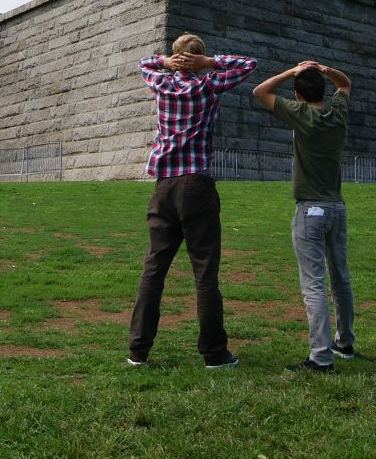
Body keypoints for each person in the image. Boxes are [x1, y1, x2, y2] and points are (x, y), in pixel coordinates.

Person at [127, 33, 257, 369]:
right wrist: (210, 63)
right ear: (198, 59)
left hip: (164, 186)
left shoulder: (161, 84)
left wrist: (167, 63)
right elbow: (248, 65)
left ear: (175, 56)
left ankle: (138, 351)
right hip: (196, 185)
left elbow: (143, 63)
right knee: (205, 274)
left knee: (153, 271)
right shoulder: (209, 85)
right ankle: (214, 354)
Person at [253, 59, 355, 372]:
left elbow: (260, 91)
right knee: (340, 278)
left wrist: (290, 72)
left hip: (310, 210)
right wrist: (324, 69)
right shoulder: (337, 112)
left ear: (297, 95)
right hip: (337, 208)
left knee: (313, 285)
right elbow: (345, 83)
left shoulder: (300, 113)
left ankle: (321, 357)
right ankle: (345, 342)